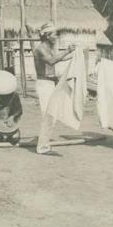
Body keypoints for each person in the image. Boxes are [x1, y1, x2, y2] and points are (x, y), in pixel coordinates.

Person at [33, 23, 76, 155]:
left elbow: (58, 59)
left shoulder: (49, 48)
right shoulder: (40, 49)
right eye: (53, 34)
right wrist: (67, 51)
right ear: (46, 36)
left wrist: (76, 54)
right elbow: (52, 61)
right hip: (44, 84)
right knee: (48, 115)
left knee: (52, 115)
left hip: (50, 84)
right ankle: (42, 147)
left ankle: (44, 145)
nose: (56, 36)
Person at [0, 70, 23, 145]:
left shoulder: (14, 95)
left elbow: (19, 110)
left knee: (15, 138)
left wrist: (12, 117)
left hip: (10, 121)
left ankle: (11, 134)